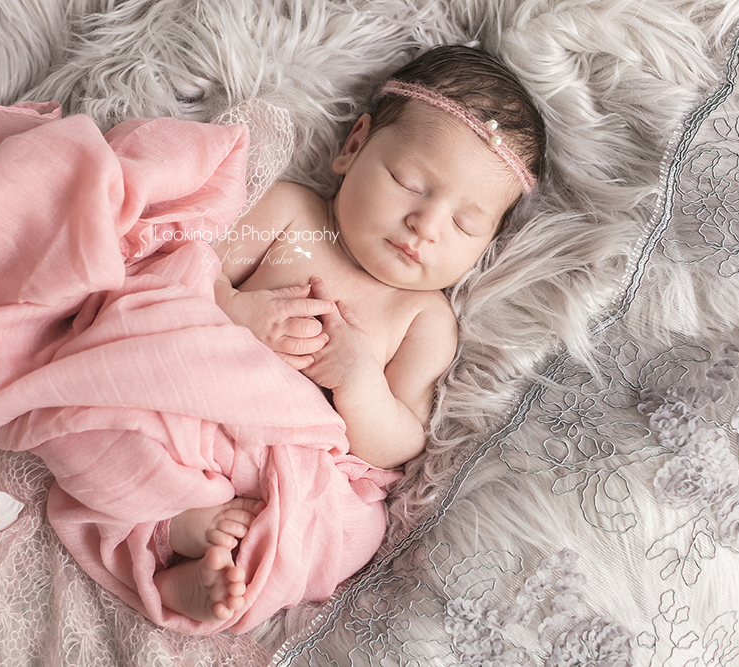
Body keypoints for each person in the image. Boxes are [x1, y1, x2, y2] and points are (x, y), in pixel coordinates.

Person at [154, 44, 547, 622]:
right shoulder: (294, 219)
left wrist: (360, 381)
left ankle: (215, 574)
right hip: (205, 404)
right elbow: (189, 271)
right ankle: (170, 529)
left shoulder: (424, 319)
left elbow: (399, 444)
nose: (425, 225)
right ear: (355, 145)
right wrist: (237, 312)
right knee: (141, 395)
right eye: (409, 182)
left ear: (486, 245)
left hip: (295, 468)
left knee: (357, 528)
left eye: (464, 224)